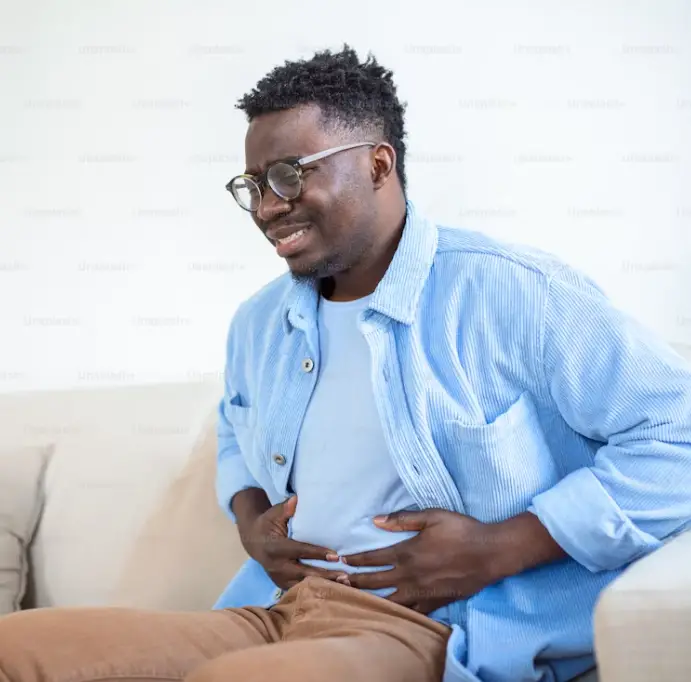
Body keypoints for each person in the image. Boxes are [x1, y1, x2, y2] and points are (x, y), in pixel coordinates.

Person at [1, 44, 690, 682]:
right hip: (277, 612)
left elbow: (675, 433)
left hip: (432, 628)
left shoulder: (511, 293)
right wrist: (250, 523)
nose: (267, 207)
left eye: (289, 175)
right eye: (252, 185)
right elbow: (236, 434)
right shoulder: (259, 325)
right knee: (15, 649)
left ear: (378, 165)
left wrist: (501, 546)